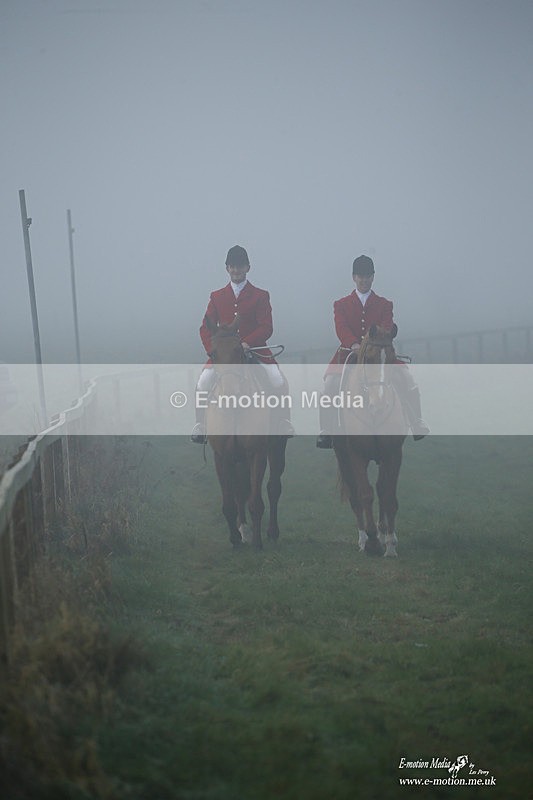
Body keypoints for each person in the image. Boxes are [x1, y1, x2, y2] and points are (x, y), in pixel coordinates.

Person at [316, 254, 429, 448]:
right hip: (349, 354)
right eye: (360, 276)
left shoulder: (385, 304)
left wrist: (376, 344)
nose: (364, 280)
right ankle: (327, 431)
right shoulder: (341, 304)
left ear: (373, 277)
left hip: (380, 355)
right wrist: (353, 344)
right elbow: (341, 328)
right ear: (353, 277)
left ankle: (416, 421)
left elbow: (386, 326)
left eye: (367, 276)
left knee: (407, 378)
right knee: (331, 385)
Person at [191, 245, 294, 443]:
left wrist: (247, 342)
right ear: (227, 268)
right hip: (225, 355)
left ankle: (282, 422)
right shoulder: (217, 296)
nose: (236, 270)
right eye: (232, 266)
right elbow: (205, 328)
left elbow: (267, 327)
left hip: (254, 351)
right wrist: (213, 351)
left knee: (278, 380)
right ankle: (201, 424)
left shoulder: (260, 295)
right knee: (203, 381)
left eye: (240, 266)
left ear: (248, 267)